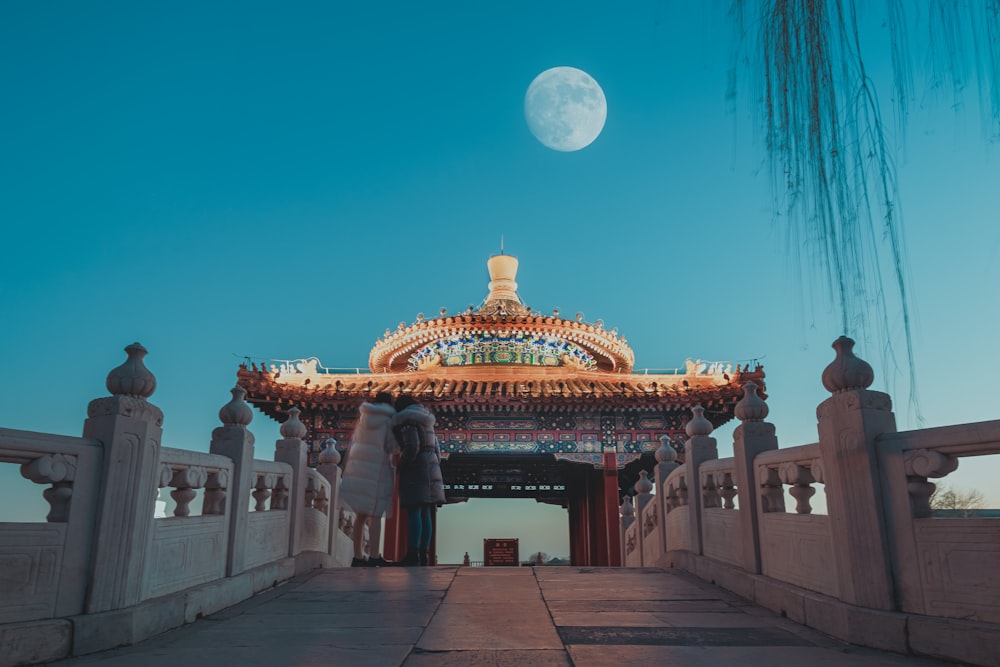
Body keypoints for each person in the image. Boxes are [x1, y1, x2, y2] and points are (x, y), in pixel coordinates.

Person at [339, 392, 397, 567]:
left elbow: (354, 443)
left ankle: (357, 557)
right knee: (376, 514)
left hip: (358, 469)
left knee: (360, 516)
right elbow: (393, 447)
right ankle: (373, 556)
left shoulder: (363, 418)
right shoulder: (388, 420)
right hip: (377, 468)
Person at [392, 395, 446, 566]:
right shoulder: (427, 421)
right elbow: (437, 450)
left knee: (414, 510)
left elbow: (412, 446)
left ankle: (412, 553)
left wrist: (401, 465)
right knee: (425, 512)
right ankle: (424, 554)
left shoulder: (408, 420)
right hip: (431, 467)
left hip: (416, 468)